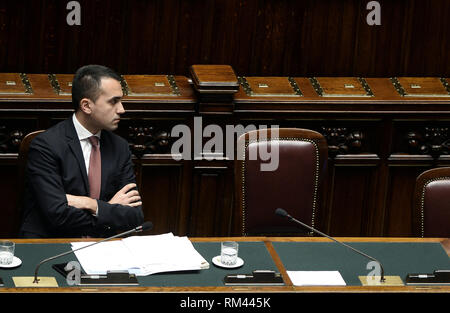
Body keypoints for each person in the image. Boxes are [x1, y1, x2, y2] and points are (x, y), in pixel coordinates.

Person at [19, 65, 144, 238]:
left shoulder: (119, 147)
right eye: (113, 101)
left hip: (101, 246)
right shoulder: (46, 145)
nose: (122, 109)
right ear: (86, 106)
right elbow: (57, 216)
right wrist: (108, 209)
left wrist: (91, 204)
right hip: (52, 245)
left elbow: (134, 216)